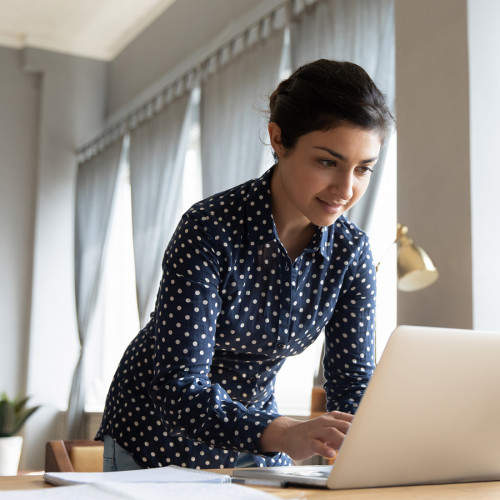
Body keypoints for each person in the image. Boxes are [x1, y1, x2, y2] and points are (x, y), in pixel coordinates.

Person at [96, 59, 394, 471]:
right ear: (278, 139)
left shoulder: (350, 251)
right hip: (156, 431)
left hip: (257, 431)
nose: (346, 189)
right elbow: (180, 387)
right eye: (328, 162)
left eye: (363, 169)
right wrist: (287, 433)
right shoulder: (209, 229)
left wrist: (364, 442)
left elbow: (352, 380)